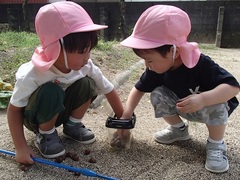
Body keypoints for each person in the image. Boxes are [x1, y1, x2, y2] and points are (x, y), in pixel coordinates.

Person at [119, 5, 239, 173]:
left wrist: (204, 99)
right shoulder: (157, 69)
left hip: (208, 110)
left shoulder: (201, 64)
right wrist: (126, 115)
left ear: (173, 51)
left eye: (150, 60)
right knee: (157, 94)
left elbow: (233, 87)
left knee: (218, 102)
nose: (147, 65)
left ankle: (216, 145)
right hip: (183, 107)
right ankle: (179, 131)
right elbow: (138, 89)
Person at [7, 1, 123, 165]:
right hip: (35, 117)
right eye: (82, 51)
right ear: (56, 48)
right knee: (51, 90)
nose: (87, 57)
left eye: (90, 50)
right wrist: (20, 147)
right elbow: (14, 110)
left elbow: (108, 89)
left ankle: (72, 126)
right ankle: (45, 134)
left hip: (59, 110)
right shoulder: (34, 74)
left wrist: (123, 120)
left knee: (87, 83)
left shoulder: (85, 66)